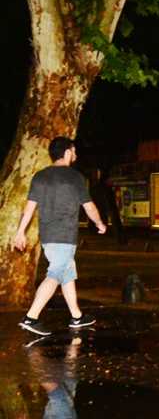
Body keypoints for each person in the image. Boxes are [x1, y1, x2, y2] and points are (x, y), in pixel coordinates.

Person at [16, 137, 106, 336]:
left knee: (67, 273)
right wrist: (99, 223)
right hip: (64, 236)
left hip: (47, 236)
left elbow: (29, 207)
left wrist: (20, 231)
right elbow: (89, 206)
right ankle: (31, 317)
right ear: (67, 152)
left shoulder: (40, 176)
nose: (76, 155)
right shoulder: (75, 178)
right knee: (55, 274)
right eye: (74, 151)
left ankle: (77, 316)